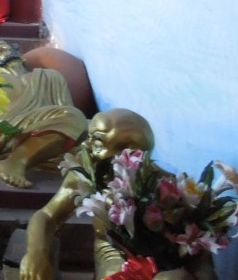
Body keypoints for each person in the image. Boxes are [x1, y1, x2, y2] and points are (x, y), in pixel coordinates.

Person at [20, 109, 175, 280]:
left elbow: (193, 247)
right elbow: (47, 215)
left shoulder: (166, 187)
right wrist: (36, 253)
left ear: (128, 151)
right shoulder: (87, 177)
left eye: (98, 141)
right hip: (114, 263)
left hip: (160, 265)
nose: (86, 146)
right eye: (90, 138)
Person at [0, 40, 87, 189]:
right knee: (75, 118)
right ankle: (15, 161)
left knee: (88, 129)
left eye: (3, 45)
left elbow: (68, 114)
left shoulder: (50, 76)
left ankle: (31, 154)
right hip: (7, 133)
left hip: (50, 130)